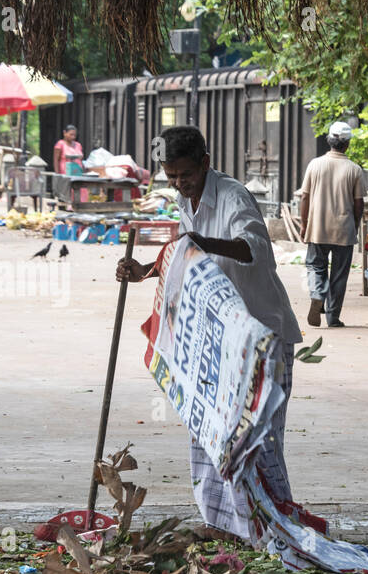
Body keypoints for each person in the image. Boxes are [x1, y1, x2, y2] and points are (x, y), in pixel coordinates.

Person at [115, 126, 303, 518]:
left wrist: (199, 241)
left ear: (206, 163)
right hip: (217, 339)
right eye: (172, 177)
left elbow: (252, 249)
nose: (180, 184)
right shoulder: (188, 201)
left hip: (261, 336)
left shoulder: (234, 197)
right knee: (213, 435)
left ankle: (271, 521)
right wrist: (145, 271)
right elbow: (189, 258)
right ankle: (222, 520)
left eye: (186, 175)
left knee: (260, 439)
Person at [299, 121, 368, 328]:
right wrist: (354, 225)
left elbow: (304, 198)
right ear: (347, 144)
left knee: (315, 266)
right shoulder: (355, 170)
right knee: (339, 275)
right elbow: (359, 204)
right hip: (343, 230)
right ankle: (333, 317)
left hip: (318, 228)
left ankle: (317, 293)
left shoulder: (315, 164)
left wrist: (304, 224)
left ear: (329, 140)